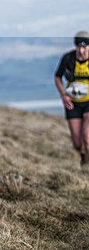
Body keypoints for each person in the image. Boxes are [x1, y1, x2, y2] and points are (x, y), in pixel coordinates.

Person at [54, 30, 89, 167]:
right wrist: (63, 94)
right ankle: (84, 159)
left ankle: (87, 167)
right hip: (72, 103)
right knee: (77, 143)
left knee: (87, 137)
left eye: (85, 47)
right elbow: (57, 76)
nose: (81, 50)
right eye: (78, 47)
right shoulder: (68, 59)